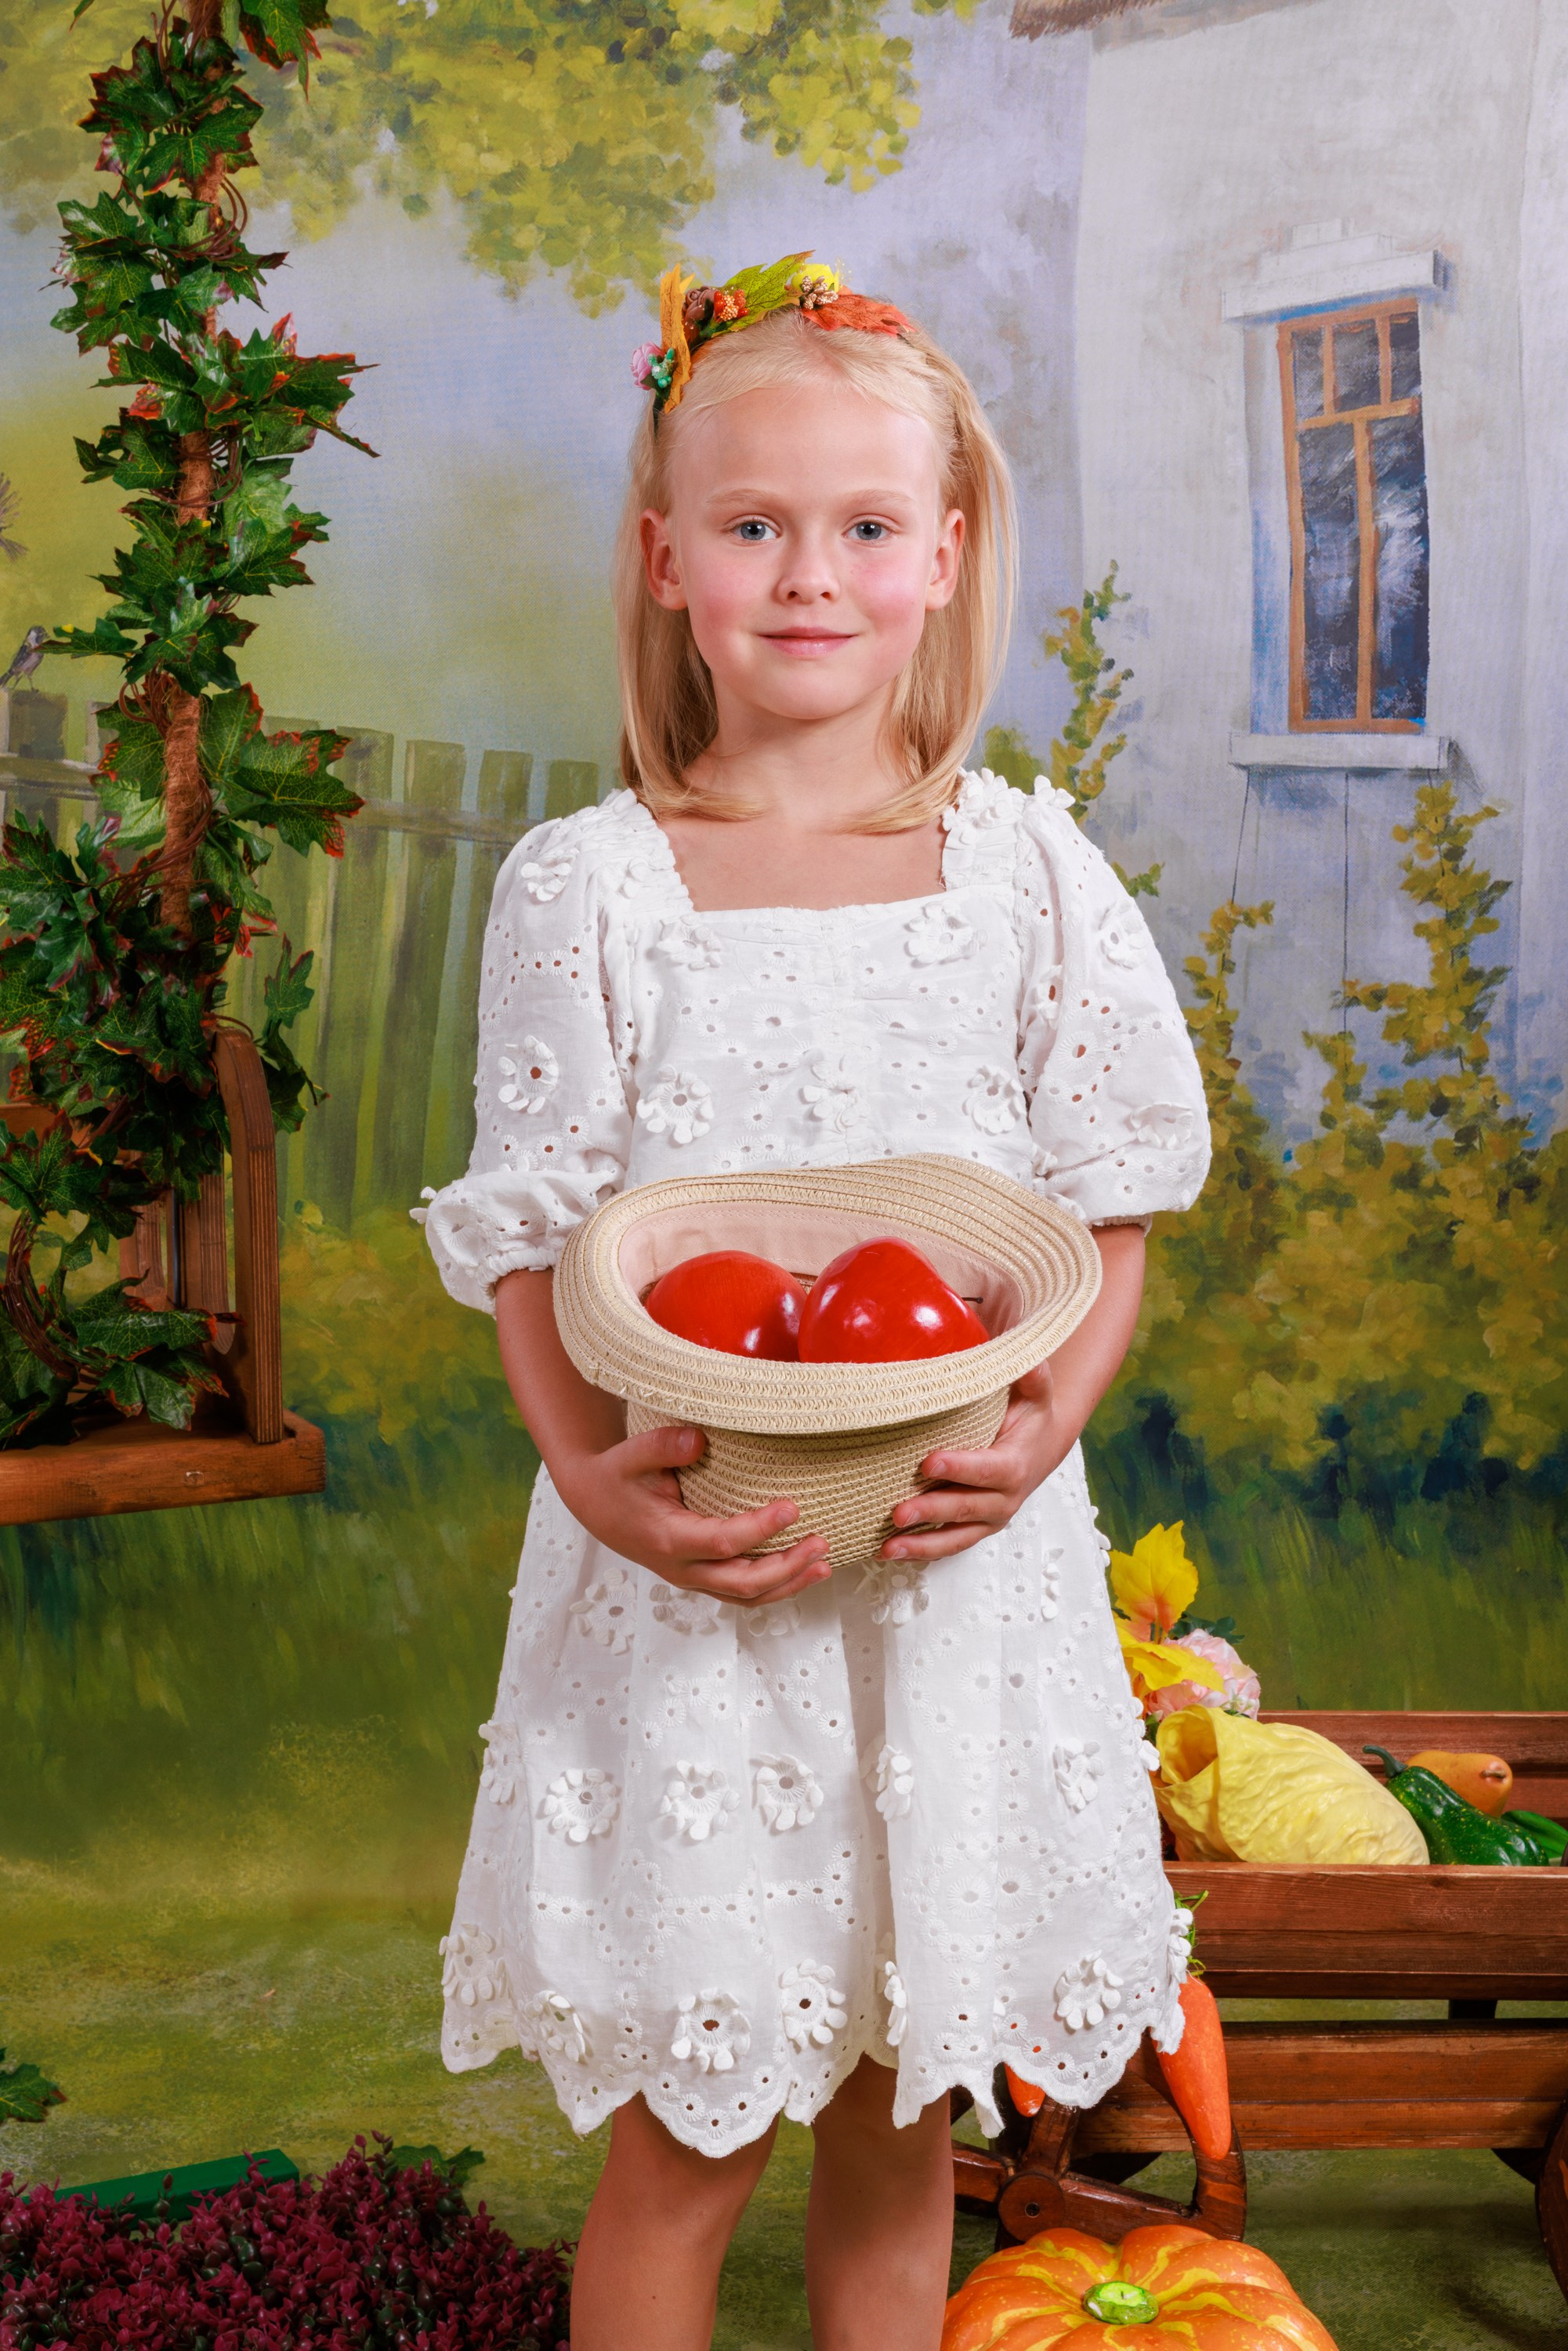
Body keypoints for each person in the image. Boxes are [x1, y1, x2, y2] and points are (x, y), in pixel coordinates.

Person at [415, 254, 1211, 2351]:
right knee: (694, 2129)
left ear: (943, 556)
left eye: (865, 527)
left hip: (955, 1570)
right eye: (753, 525)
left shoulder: (1027, 873)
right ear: (667, 556)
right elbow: (535, 1224)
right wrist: (596, 1486)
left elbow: (1106, 1207)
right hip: (702, 1569)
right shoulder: (589, 887)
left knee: (897, 2107)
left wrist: (1043, 1427)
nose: (809, 575)